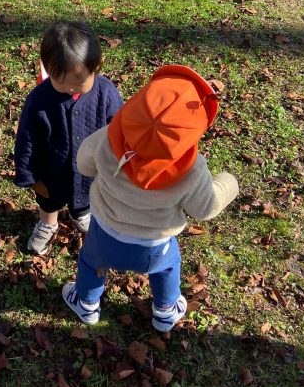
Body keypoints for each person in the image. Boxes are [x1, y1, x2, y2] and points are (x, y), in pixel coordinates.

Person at [61, 65, 239, 332]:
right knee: (168, 269)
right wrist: (229, 184)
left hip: (105, 233)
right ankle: (165, 312)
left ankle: (86, 304)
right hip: (154, 248)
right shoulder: (193, 169)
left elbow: (84, 164)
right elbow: (204, 207)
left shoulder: (108, 137)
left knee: (90, 262)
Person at [14, 21, 123, 255]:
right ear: (47, 69)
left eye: (78, 82)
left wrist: (119, 159)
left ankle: (81, 214)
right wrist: (28, 173)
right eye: (59, 82)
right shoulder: (39, 100)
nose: (69, 88)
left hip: (91, 170)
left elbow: (120, 128)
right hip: (51, 170)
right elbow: (27, 138)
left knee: (87, 196)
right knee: (48, 200)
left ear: (96, 67)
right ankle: (48, 223)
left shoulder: (106, 93)